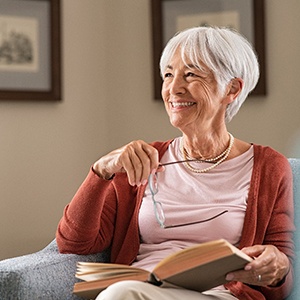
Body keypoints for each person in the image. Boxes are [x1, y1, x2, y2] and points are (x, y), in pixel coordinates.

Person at [56, 26, 295, 300]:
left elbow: (283, 270)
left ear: (232, 88)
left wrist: (279, 266)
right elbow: (74, 243)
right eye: (168, 74)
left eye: (190, 74)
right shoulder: (142, 160)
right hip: (142, 288)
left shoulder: (268, 167)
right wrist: (101, 172)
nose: (173, 88)